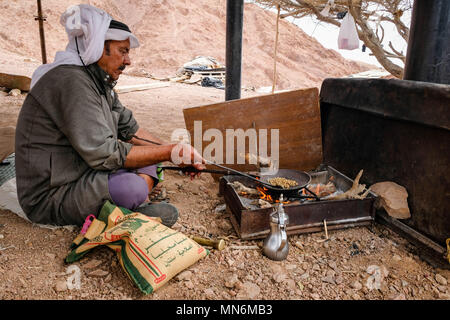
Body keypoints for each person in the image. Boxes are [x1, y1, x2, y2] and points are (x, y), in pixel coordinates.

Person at [15, 5, 205, 228]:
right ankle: (135, 200)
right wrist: (169, 152)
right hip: (53, 194)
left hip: (82, 170)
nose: (128, 61)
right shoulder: (71, 82)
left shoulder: (98, 82)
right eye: (122, 51)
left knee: (149, 159)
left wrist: (176, 153)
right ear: (96, 48)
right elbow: (103, 153)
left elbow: (131, 131)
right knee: (132, 185)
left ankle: (132, 203)